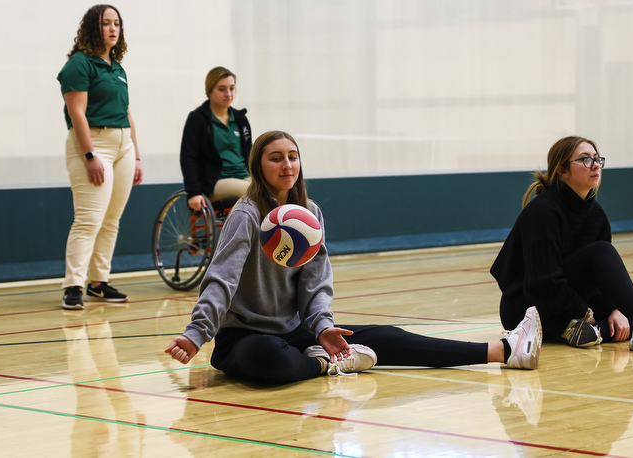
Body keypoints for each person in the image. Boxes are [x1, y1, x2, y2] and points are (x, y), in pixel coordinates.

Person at [165, 130, 543, 383]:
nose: (287, 166)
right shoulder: (246, 215)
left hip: (298, 332)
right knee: (268, 358)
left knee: (386, 336)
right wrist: (197, 333)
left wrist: (323, 326)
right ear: (257, 166)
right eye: (275, 158)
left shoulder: (309, 214)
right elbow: (222, 279)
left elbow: (315, 282)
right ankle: (328, 363)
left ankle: (504, 350)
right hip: (245, 337)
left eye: (292, 157)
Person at [490, 136, 633, 355]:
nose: (596, 165)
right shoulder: (544, 211)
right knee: (603, 253)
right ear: (563, 170)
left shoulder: (596, 214)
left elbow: (599, 282)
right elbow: (543, 282)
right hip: (528, 308)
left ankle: (597, 332)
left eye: (597, 159)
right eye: (585, 160)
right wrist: (585, 313)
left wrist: (615, 309)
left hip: (571, 302)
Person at [58, 4, 143, 310]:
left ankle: (99, 282)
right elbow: (76, 113)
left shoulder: (117, 67)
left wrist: (135, 156)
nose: (113, 28)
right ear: (93, 27)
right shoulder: (79, 65)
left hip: (123, 146)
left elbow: (128, 114)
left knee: (111, 220)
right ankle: (73, 285)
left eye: (116, 23)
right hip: (94, 145)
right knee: (89, 219)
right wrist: (89, 154)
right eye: (106, 23)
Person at [180, 66, 253, 212]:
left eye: (232, 88)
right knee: (256, 193)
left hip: (244, 176)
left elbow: (251, 154)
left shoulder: (240, 119)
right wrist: (193, 192)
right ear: (210, 90)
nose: (228, 94)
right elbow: (188, 158)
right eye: (222, 89)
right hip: (214, 182)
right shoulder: (197, 119)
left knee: (274, 190)